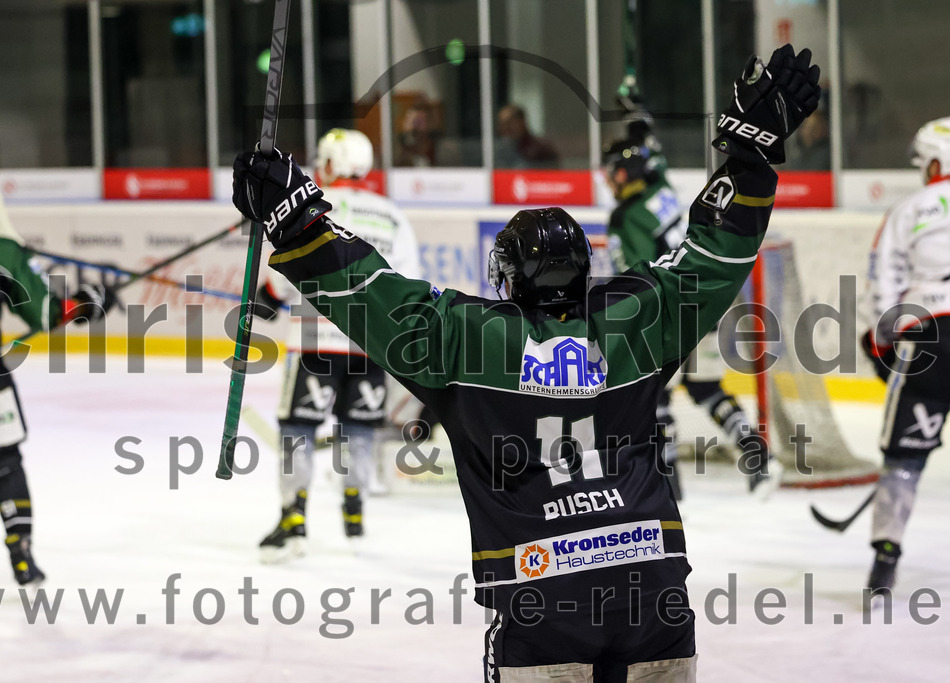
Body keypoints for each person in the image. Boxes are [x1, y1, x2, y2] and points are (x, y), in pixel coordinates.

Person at [233, 45, 819, 682]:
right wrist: (749, 156)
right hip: (654, 589)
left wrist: (295, 222)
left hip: (542, 596)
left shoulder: (466, 336)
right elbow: (711, 258)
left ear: (508, 280)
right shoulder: (638, 320)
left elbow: (372, 292)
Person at [254, 128, 421, 561]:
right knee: (359, 430)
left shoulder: (312, 208)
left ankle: (294, 520)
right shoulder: (392, 215)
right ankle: (354, 513)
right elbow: (407, 283)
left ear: (329, 164)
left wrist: (266, 299)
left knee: (298, 430)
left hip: (316, 338)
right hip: (371, 343)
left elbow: (284, 278)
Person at [0, 159, 115, 587]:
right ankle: (22, 556)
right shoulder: (3, 250)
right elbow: (46, 314)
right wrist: (91, 300)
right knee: (5, 461)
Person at [601, 134, 780, 500]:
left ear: (627, 173)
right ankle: (756, 454)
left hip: (670, 308)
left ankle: (666, 482)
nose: (608, 179)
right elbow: (658, 157)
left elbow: (639, 274)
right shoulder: (662, 187)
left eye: (614, 172)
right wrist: (640, 122)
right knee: (704, 387)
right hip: (709, 299)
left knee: (655, 395)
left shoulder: (624, 217)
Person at [861, 115, 950, 594]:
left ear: (936, 163)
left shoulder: (911, 209)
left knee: (903, 461)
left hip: (932, 341)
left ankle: (885, 558)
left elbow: (882, 286)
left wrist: (880, 345)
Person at [495, 104, 560, 169]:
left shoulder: (541, 147)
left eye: (510, 122)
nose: (506, 127)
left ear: (522, 122)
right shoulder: (497, 149)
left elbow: (552, 169)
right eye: (502, 124)